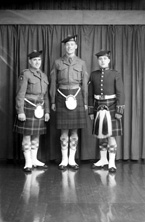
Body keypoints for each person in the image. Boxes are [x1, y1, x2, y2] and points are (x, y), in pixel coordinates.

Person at [50, 34, 89, 170]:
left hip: (77, 96)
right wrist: (53, 101)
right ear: (65, 47)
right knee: (63, 131)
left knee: (74, 131)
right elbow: (53, 83)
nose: (69, 47)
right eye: (67, 45)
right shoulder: (57, 62)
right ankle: (64, 160)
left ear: (76, 47)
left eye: (72, 44)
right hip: (61, 96)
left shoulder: (81, 63)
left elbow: (84, 84)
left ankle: (72, 160)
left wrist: (84, 101)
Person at [88, 50, 125, 173]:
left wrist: (119, 110)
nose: (102, 61)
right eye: (100, 59)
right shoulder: (93, 75)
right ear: (98, 61)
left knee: (111, 136)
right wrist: (91, 111)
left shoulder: (115, 74)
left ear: (109, 60)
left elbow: (120, 93)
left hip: (112, 106)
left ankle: (112, 162)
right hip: (98, 106)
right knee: (101, 135)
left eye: (105, 59)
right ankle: (103, 159)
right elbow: (90, 95)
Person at [14, 50, 50, 173]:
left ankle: (34, 159)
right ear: (30, 61)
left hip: (40, 109)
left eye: (39, 60)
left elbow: (46, 96)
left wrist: (47, 111)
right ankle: (28, 162)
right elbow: (20, 94)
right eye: (34, 60)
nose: (37, 62)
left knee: (36, 136)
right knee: (27, 136)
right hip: (28, 107)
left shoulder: (44, 76)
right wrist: (20, 111)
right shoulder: (26, 74)